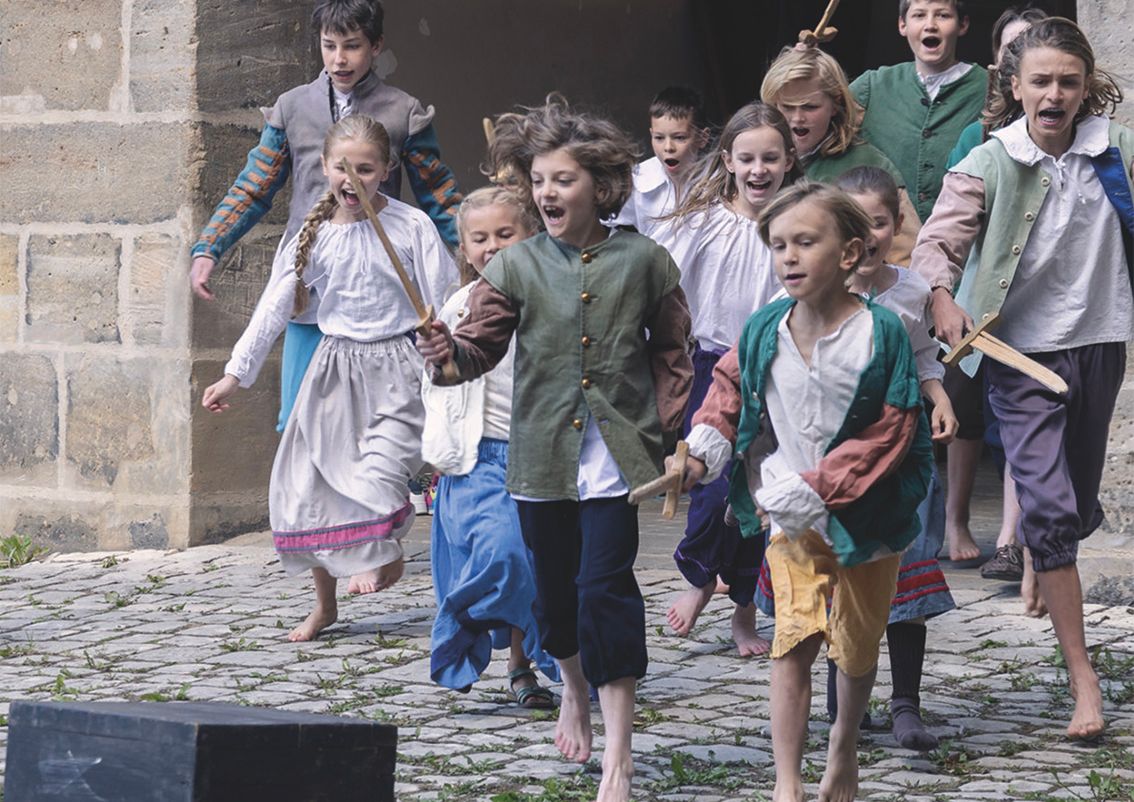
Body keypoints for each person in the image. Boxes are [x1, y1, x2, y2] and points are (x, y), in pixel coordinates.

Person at [416, 95, 693, 802]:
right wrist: (444, 355)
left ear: (599, 187)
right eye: (538, 181)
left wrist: (667, 436)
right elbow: (474, 353)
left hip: (616, 464)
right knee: (555, 603)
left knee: (607, 592)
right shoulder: (513, 268)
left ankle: (619, 760)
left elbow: (672, 351)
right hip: (540, 458)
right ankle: (571, 688)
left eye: (561, 180)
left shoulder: (645, 260)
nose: (546, 193)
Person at [912, 17, 1131, 740]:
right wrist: (942, 296)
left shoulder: (1117, 154)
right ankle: (1084, 682)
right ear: (1015, 87)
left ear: (1088, 88)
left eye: (1069, 81)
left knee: (1071, 501)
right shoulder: (990, 159)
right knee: (1049, 506)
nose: (1055, 93)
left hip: (1099, 344)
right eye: (1040, 80)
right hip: (1018, 356)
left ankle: (1046, 542)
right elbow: (937, 243)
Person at [681, 180, 932, 802]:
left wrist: (815, 487)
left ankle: (843, 744)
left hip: (867, 517)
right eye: (778, 245)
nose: (788, 257)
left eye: (805, 243)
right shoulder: (766, 325)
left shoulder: (882, 332)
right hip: (789, 520)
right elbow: (728, 390)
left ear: (849, 254)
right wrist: (703, 449)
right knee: (792, 640)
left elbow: (892, 428)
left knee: (854, 644)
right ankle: (786, 782)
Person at [201, 115, 458, 642]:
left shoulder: (411, 227)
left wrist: (453, 355)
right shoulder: (312, 236)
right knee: (308, 484)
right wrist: (235, 374)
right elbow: (274, 307)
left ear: (385, 171)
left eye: (365, 168)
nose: (352, 178)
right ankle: (325, 604)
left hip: (397, 369)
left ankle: (384, 551)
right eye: (342, 167)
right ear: (323, 168)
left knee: (380, 472)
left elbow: (448, 300)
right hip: (334, 370)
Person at [190, 0, 462, 434]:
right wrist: (210, 246)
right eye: (329, 45)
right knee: (301, 421)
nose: (339, 59)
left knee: (384, 428)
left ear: (376, 46)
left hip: (380, 297)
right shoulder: (292, 107)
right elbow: (255, 185)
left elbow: (440, 197)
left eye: (352, 46)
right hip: (311, 283)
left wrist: (487, 259)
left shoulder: (403, 111)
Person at [657, 103, 800, 656]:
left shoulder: (797, 224)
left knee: (758, 495)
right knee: (710, 484)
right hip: (710, 365)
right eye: (747, 159)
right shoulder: (704, 222)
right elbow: (661, 281)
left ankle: (744, 612)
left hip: (776, 369)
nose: (758, 169)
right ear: (728, 161)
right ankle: (698, 578)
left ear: (789, 160)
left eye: (770, 157)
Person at [423, 186, 557, 707]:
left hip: (540, 455)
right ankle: (463, 623)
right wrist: (440, 352)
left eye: (507, 233)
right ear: (465, 248)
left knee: (539, 566)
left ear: (533, 236)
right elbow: (439, 383)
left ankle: (522, 666)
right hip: (480, 459)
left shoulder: (550, 298)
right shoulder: (458, 308)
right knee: (504, 557)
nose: (493, 246)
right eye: (480, 238)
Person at [838, 165, 957, 750]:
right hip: (841, 459)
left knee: (907, 571)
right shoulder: (815, 290)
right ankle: (845, 707)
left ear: (895, 224)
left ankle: (906, 702)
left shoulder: (910, 291)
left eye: (878, 222)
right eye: (854, 223)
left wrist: (939, 400)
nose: (867, 235)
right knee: (848, 578)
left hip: (905, 455)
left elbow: (923, 358)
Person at [943, 5, 1048, 577]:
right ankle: (955, 519)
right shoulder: (978, 137)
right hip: (976, 294)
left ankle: (1011, 538)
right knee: (963, 413)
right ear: (1003, 69)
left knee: (1019, 418)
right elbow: (956, 218)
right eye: (1014, 48)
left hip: (1032, 301)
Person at [760, 45, 922, 264]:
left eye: (810, 107)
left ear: (835, 104)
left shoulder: (869, 165)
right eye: (787, 107)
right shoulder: (754, 160)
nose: (797, 118)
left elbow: (906, 257)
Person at [850, 0, 987, 224]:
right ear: (903, 25)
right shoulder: (872, 87)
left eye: (943, 16)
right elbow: (819, 119)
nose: (930, 25)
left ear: (962, 25)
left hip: (963, 239)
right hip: (886, 242)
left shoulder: (989, 89)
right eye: (919, 15)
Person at [614, 86, 710, 239]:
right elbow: (601, 220)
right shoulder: (639, 179)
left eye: (679, 138)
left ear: (702, 138)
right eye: (659, 138)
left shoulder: (718, 181)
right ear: (651, 134)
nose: (668, 148)